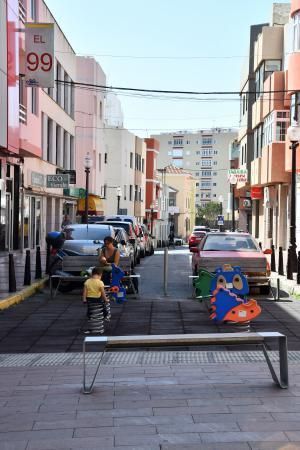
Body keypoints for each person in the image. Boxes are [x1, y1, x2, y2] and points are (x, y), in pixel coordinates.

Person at [82, 267, 110, 334]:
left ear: (92, 274)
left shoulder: (87, 281)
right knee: (103, 307)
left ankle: (89, 316)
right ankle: (106, 316)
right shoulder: (100, 282)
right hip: (98, 299)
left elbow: (84, 292)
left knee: (90, 309)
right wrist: (106, 300)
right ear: (100, 274)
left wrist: (84, 299)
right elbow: (103, 293)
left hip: (89, 299)